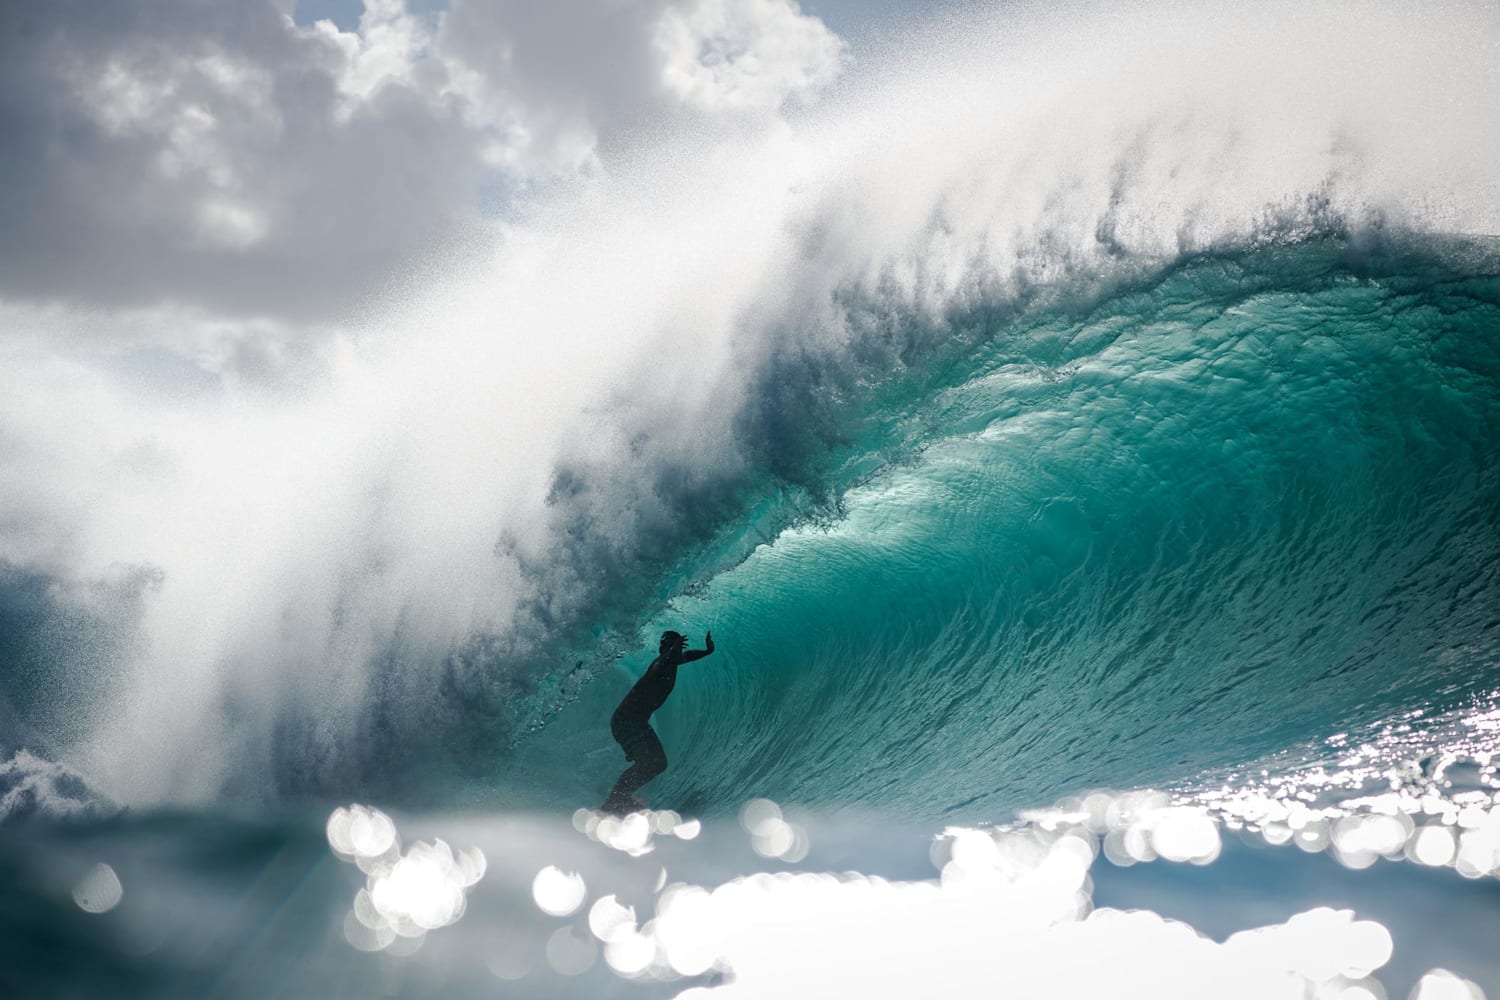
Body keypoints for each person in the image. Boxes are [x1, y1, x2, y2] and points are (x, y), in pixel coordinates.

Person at [601, 629, 714, 813]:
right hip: (627, 722)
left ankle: (620, 797)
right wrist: (672, 650)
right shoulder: (660, 665)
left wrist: (707, 651)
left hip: (637, 722)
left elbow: (686, 656)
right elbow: (666, 659)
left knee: (656, 763)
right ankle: (613, 801)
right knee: (652, 763)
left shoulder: (673, 663)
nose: (677, 652)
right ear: (664, 649)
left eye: (677, 647)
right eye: (671, 647)